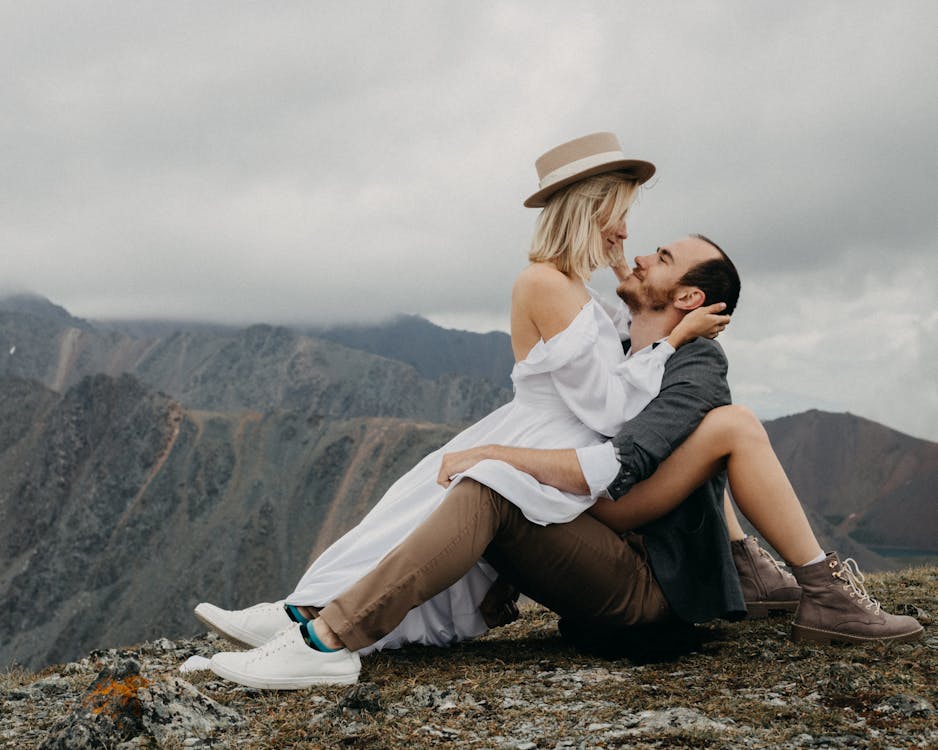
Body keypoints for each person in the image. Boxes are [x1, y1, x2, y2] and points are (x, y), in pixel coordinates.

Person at [203, 235, 922, 689]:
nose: (641, 254)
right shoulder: (623, 346)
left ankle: (327, 640)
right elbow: (600, 331)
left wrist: (496, 452)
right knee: (465, 483)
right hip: (599, 562)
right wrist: (610, 256)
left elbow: (627, 463)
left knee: (491, 480)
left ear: (691, 298)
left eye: (661, 258)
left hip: (644, 596)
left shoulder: (697, 367)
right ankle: (312, 615)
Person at [197, 132, 727, 653]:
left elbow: (624, 344)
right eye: (620, 213)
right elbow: (612, 407)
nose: (627, 231)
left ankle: (306, 620)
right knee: (407, 525)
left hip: (550, 440)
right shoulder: (543, 283)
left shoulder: (574, 289)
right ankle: (304, 616)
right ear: (592, 210)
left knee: (424, 523)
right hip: (542, 434)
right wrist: (678, 337)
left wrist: (619, 272)